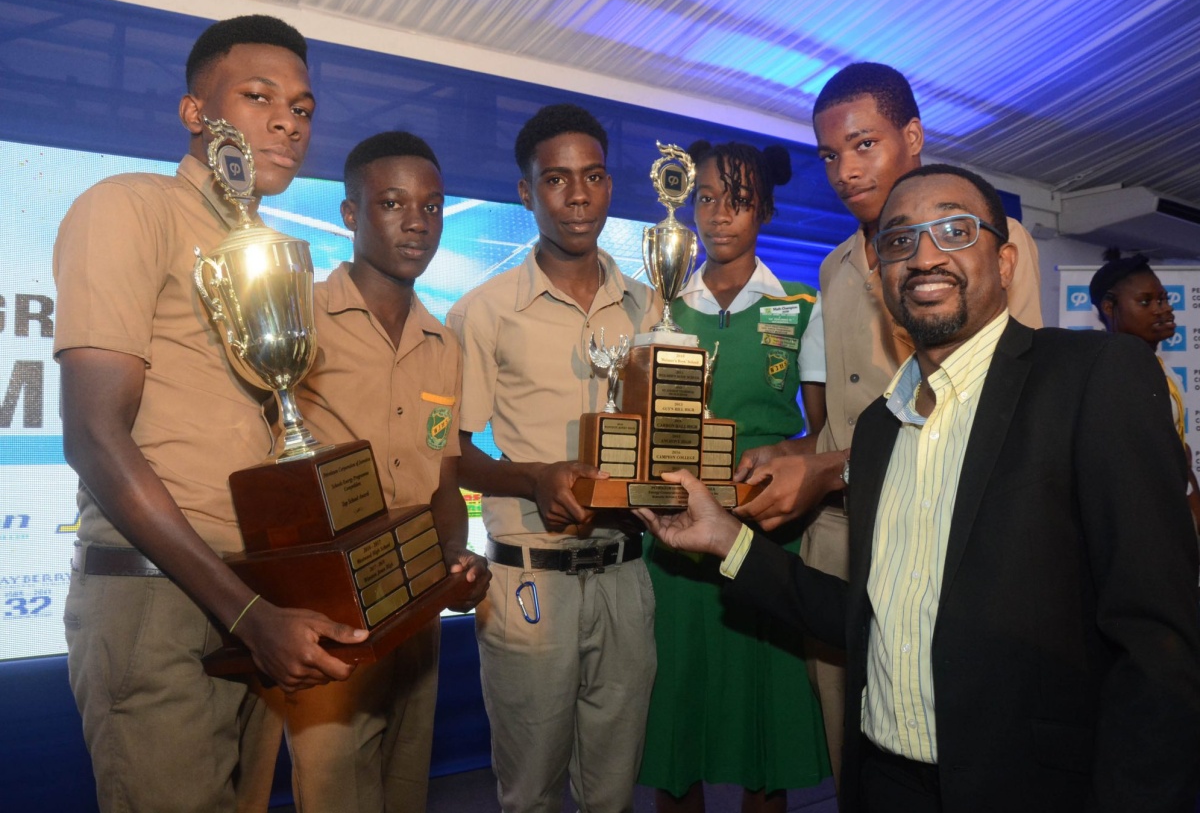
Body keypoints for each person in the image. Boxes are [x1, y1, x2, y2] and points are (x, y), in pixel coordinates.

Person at [639, 164, 1200, 813]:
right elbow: (867, 615)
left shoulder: (1091, 377)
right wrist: (725, 537)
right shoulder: (879, 427)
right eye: (900, 240)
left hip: (1028, 787)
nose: (924, 254)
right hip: (884, 781)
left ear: (1007, 259)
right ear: (881, 274)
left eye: (955, 230)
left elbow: (1159, 646)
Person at [52, 15, 370, 813]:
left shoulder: (271, 249)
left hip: (256, 598)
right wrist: (247, 611)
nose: (286, 123)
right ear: (196, 113)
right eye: (258, 96)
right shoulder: (130, 206)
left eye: (301, 108)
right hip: (161, 601)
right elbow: (93, 434)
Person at [732, 63, 1044, 785]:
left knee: (954, 745)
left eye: (864, 144)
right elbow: (844, 420)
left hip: (947, 533)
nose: (845, 169)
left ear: (913, 136)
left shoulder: (988, 245)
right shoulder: (837, 267)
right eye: (830, 154)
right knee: (856, 751)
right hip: (841, 536)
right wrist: (786, 454)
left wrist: (823, 468)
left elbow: (994, 413)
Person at [262, 131, 491, 813]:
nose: (416, 222)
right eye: (392, 203)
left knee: (402, 793)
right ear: (350, 214)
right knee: (334, 793)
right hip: (327, 614)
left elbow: (443, 475)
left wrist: (458, 554)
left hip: (415, 607)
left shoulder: (443, 342)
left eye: (432, 205)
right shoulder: (298, 318)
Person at [446, 102, 659, 813]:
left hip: (627, 574)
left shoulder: (649, 307)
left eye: (593, 176)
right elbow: (453, 454)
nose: (578, 195)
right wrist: (532, 477)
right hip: (529, 581)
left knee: (612, 791)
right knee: (530, 790)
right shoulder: (483, 311)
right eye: (557, 179)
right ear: (525, 193)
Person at [638, 140, 829, 813]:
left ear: (766, 210)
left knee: (763, 732)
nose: (720, 215)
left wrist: (784, 463)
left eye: (738, 200)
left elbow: (820, 435)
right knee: (673, 721)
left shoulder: (801, 307)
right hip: (671, 535)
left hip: (764, 533)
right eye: (707, 199)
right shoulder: (658, 301)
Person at [1089, 247, 1200, 528]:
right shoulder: (1107, 372)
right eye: (1145, 301)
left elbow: (1178, 453)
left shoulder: (1161, 368)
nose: (1162, 309)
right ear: (1109, 308)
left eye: (1163, 298)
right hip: (1141, 524)